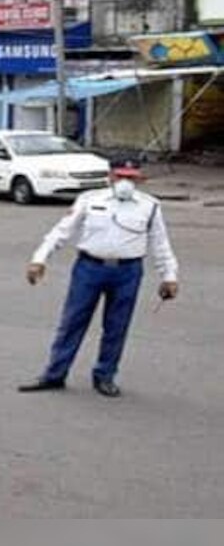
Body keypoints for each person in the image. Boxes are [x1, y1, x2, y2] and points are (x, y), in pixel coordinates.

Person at [19, 160, 179, 398]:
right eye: (120, 176)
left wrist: (169, 275)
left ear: (139, 179)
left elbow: (160, 243)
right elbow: (62, 231)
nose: (125, 182)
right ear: (110, 177)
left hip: (128, 271)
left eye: (131, 177)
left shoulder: (149, 206)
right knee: (72, 322)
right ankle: (54, 374)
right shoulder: (90, 200)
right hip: (89, 268)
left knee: (116, 327)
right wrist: (39, 259)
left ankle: (105, 376)